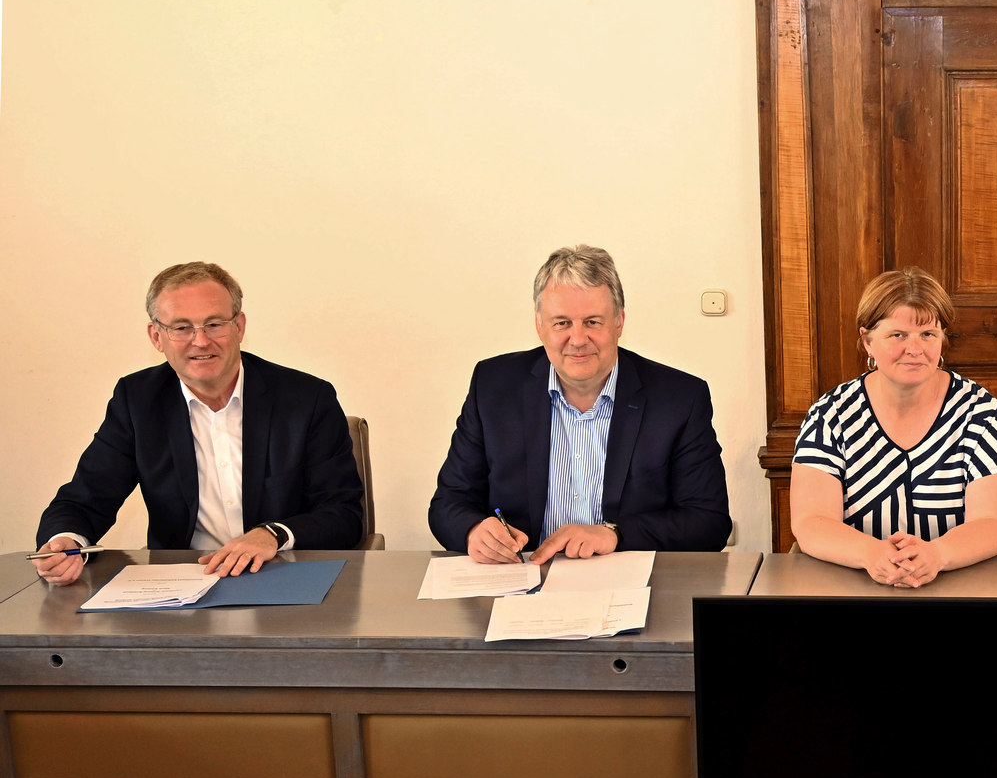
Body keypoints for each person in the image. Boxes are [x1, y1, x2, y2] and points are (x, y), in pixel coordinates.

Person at [34, 261, 366, 584]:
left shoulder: (307, 399)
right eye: (181, 327)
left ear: (239, 327)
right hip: (183, 587)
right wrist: (66, 541)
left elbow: (343, 513)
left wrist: (272, 535)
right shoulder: (138, 401)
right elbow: (84, 499)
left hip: (284, 576)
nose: (201, 341)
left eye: (215, 324)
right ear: (156, 337)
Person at [430, 245, 730, 562]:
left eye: (592, 322)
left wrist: (616, 534)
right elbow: (449, 503)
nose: (577, 339)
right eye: (561, 323)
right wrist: (473, 529)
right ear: (539, 325)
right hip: (521, 584)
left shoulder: (679, 398)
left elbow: (708, 523)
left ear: (619, 322)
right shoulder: (492, 387)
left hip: (628, 586)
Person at [791, 267, 997, 587]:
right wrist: (871, 554)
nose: (915, 349)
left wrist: (938, 554)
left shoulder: (980, 412)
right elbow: (810, 521)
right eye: (898, 335)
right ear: (867, 340)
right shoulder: (831, 414)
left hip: (963, 590)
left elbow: (995, 522)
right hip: (851, 591)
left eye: (928, 334)